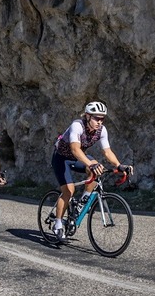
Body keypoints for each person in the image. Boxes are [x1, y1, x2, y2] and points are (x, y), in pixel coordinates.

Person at [50, 101, 134, 241]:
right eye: (96, 118)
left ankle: (81, 204)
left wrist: (119, 165)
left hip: (78, 158)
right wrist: (90, 164)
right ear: (88, 116)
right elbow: (75, 149)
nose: (99, 122)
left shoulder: (102, 130)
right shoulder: (77, 126)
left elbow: (107, 152)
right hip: (61, 158)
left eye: (102, 119)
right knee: (69, 191)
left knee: (97, 168)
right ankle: (58, 224)